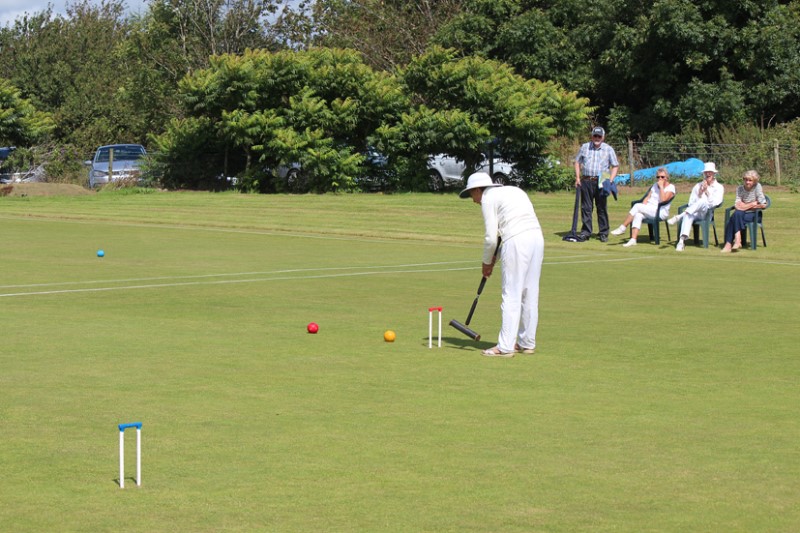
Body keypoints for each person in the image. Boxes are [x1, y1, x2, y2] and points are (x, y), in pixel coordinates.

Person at [459, 172, 544, 358]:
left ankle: (505, 347)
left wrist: (486, 262)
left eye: (472, 195)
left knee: (511, 293)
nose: (474, 201)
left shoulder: (488, 198)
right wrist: (494, 257)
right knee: (530, 292)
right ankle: (526, 343)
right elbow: (501, 234)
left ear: (478, 190)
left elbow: (491, 237)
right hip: (537, 239)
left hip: (516, 241)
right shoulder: (514, 190)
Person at [573, 126, 619, 242]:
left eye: (599, 136)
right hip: (586, 179)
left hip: (602, 179)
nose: (597, 138)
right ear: (592, 136)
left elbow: (615, 165)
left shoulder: (608, 149)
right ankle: (586, 232)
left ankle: (603, 233)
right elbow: (577, 161)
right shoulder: (585, 147)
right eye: (595, 136)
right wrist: (578, 178)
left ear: (603, 137)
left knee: (602, 207)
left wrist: (611, 180)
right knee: (586, 208)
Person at [610, 167, 675, 247]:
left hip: (660, 212)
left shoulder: (671, 187)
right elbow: (647, 197)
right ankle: (633, 239)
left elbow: (663, 200)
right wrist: (643, 206)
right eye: (658, 177)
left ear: (667, 178)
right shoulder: (654, 186)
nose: (660, 179)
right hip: (650, 210)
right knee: (638, 215)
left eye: (662, 177)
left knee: (637, 206)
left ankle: (623, 227)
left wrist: (661, 187)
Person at [667, 162, 725, 251]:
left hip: (707, 214)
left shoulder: (719, 187)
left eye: (710, 172)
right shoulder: (697, 186)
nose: (707, 174)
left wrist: (706, 192)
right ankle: (681, 242)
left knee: (701, 202)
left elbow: (715, 204)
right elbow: (691, 203)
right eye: (706, 172)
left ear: (714, 174)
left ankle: (679, 216)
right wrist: (700, 193)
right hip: (694, 212)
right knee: (688, 214)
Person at [721, 170, 768, 253]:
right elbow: (737, 205)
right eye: (746, 179)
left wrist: (746, 205)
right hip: (742, 213)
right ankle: (737, 240)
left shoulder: (757, 187)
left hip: (754, 214)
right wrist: (752, 203)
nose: (747, 182)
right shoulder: (739, 188)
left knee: (733, 218)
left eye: (750, 180)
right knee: (737, 213)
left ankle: (729, 244)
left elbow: (763, 204)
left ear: (754, 181)